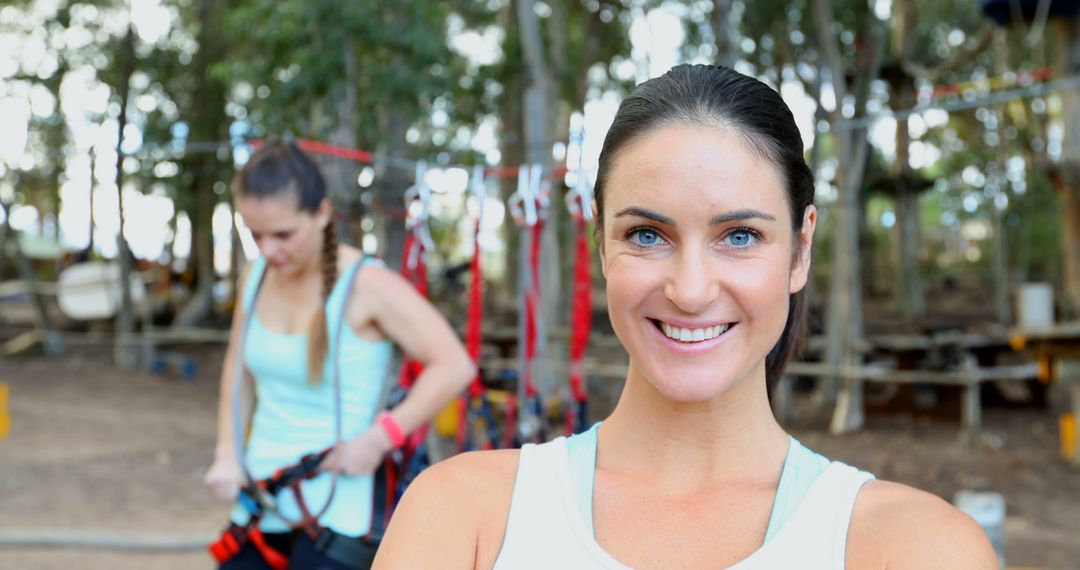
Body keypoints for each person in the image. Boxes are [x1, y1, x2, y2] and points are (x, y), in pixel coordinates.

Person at [373, 65, 998, 569]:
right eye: (647, 235)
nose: (691, 291)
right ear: (601, 245)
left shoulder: (914, 547)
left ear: (801, 249)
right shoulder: (463, 517)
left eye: (741, 236)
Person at [203, 141, 474, 569]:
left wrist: (380, 437)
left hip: (338, 509)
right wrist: (227, 452)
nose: (268, 250)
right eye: (255, 234)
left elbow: (454, 366)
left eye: (283, 234)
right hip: (262, 499)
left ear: (322, 214)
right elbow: (237, 373)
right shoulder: (255, 276)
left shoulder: (367, 284)